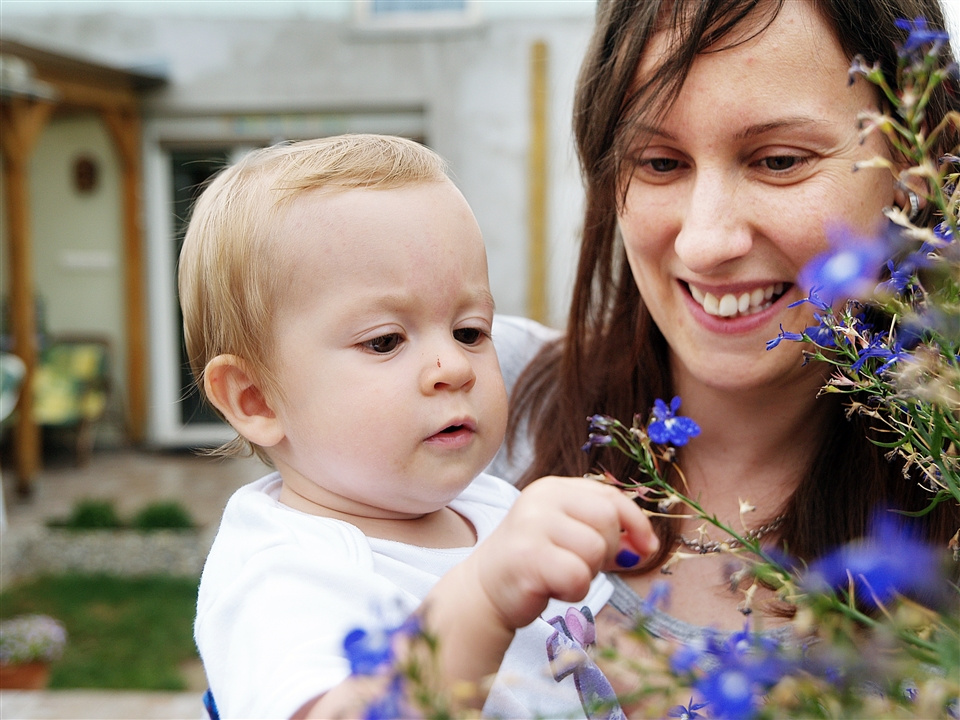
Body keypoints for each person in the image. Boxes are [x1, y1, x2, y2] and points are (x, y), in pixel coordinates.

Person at [492, 0, 960, 666]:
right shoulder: (460, 417)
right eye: (659, 163)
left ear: (912, 175)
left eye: (778, 161)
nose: (707, 241)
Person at [179, 134, 658, 719]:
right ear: (256, 399)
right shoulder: (282, 572)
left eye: (470, 331)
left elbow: (625, 670)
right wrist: (482, 599)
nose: (454, 367)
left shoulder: (489, 504)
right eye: (385, 341)